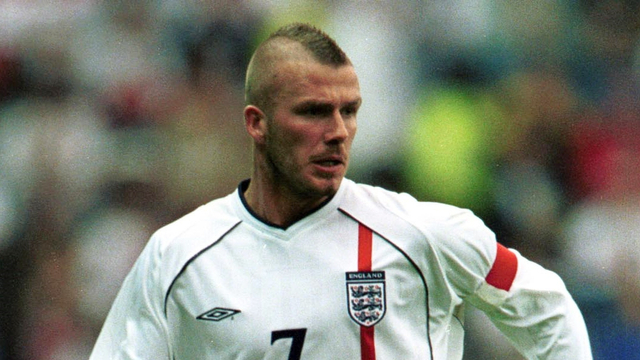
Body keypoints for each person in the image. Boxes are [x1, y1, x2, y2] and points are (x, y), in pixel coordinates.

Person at [89, 23, 592, 359]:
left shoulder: (424, 235)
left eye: (348, 111)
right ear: (257, 123)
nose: (338, 131)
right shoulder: (177, 255)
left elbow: (549, 310)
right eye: (313, 111)